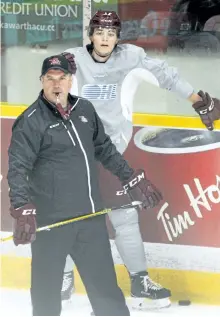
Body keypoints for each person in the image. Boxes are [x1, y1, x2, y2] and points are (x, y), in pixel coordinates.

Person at [60, 10, 220, 310]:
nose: (105, 38)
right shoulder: (70, 59)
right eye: (100, 32)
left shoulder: (130, 57)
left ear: (117, 37)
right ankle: (62, 279)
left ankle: (139, 281)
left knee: (125, 217)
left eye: (111, 33)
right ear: (91, 35)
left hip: (114, 153)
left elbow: (166, 76)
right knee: (70, 219)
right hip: (76, 154)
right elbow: (49, 91)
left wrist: (198, 101)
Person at [7, 54, 163, 316]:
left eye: (63, 78)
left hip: (90, 220)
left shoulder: (85, 111)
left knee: (107, 294)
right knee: (46, 298)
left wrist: (131, 177)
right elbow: (18, 168)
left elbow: (105, 150)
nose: (57, 85)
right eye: (50, 79)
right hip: (52, 225)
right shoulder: (31, 121)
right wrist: (22, 207)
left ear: (71, 81)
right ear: (42, 81)